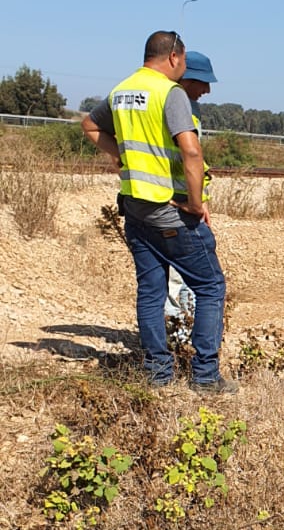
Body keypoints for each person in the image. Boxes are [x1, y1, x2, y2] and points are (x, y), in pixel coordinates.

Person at [82, 31, 234, 393]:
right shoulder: (170, 93)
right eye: (182, 63)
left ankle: (157, 373)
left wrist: (120, 157)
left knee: (150, 291)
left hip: (135, 209)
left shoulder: (122, 91)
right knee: (211, 286)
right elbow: (192, 152)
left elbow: (89, 125)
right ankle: (205, 376)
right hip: (171, 211)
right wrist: (196, 205)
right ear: (174, 58)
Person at [166, 49, 219, 324]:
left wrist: (202, 200)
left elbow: (198, 158)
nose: (207, 90)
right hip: (173, 201)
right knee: (180, 275)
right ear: (186, 79)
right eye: (203, 82)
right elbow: (189, 155)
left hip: (188, 199)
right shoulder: (172, 103)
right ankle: (178, 336)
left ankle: (181, 330)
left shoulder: (190, 108)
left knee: (184, 274)